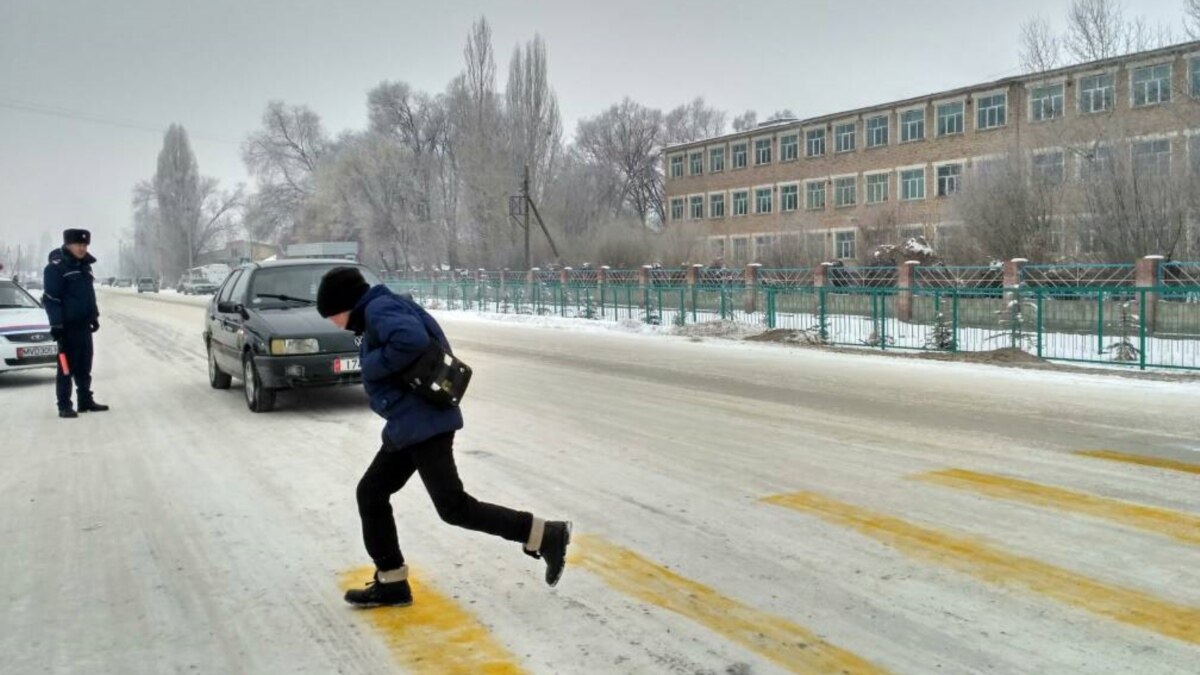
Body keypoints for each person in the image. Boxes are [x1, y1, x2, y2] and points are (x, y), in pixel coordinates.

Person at [316, 266, 571, 608]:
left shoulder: (378, 310)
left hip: (424, 424)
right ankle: (391, 582)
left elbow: (412, 341)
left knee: (453, 507)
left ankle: (544, 535)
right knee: (372, 492)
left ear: (346, 304)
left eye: (332, 315)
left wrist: (371, 366)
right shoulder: (383, 307)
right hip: (410, 425)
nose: (333, 322)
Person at [43, 229, 108, 418]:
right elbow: (51, 299)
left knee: (84, 365)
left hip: (83, 325)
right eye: (78, 245)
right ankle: (64, 405)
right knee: (65, 368)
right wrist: (56, 325)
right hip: (66, 327)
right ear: (68, 245)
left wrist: (93, 315)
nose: (82, 248)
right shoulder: (56, 268)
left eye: (85, 245)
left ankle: (85, 400)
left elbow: (89, 295)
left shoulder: (84, 266)